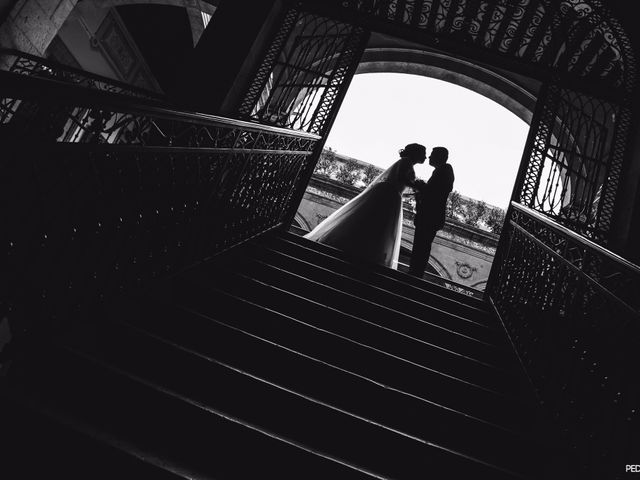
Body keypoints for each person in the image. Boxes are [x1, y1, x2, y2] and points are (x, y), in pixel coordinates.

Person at [304, 143, 426, 268]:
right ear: (416, 153)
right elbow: (400, 178)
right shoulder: (406, 161)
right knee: (376, 224)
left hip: (393, 194)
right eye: (424, 153)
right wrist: (417, 186)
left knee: (376, 225)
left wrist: (414, 191)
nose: (425, 157)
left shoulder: (407, 163)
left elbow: (400, 185)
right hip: (387, 195)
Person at [409, 146, 454, 277]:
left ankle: (415, 273)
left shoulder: (444, 170)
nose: (429, 157)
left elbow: (433, 192)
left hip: (430, 216)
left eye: (432, 155)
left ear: (440, 156)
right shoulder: (443, 170)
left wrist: (421, 186)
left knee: (421, 246)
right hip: (431, 216)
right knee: (421, 245)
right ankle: (415, 271)